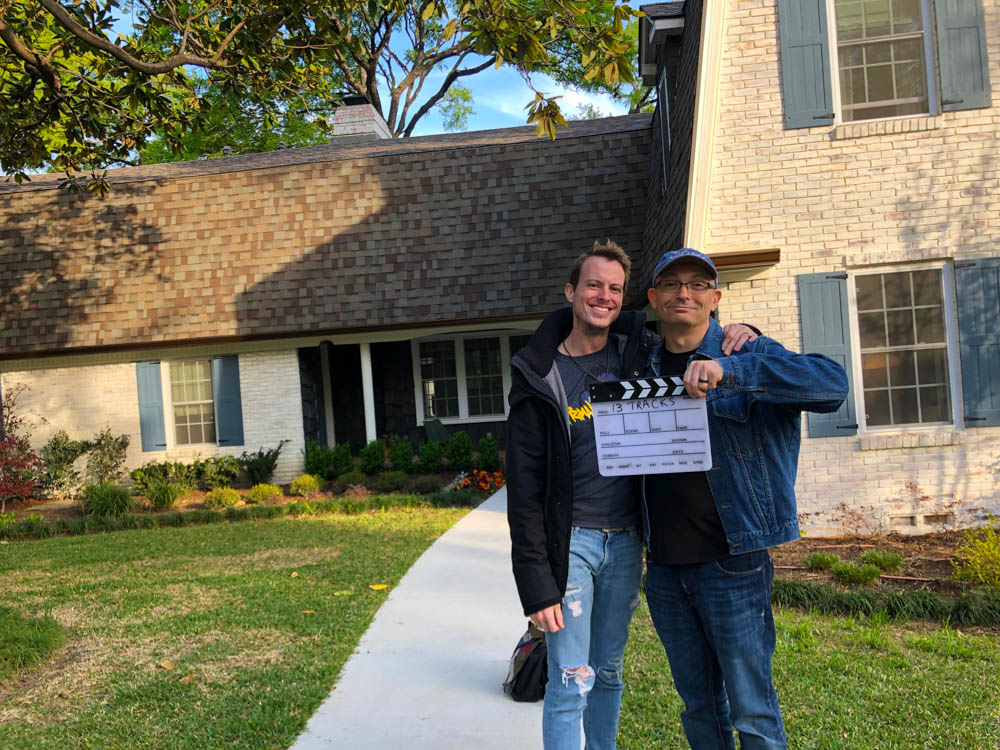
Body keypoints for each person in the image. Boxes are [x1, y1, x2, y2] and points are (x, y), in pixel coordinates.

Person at [505, 240, 756, 750]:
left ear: (625, 299)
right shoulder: (538, 375)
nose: (604, 296)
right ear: (571, 291)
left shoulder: (636, 352)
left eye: (615, 288)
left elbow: (691, 328)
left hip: (625, 542)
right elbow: (525, 490)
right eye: (594, 285)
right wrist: (536, 584)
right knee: (572, 675)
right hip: (570, 541)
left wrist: (745, 331)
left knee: (609, 671)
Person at [641, 248, 849, 750]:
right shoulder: (640, 362)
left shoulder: (747, 351)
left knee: (752, 708)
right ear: (653, 299)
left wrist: (735, 371)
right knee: (698, 707)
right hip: (665, 568)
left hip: (733, 561)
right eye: (670, 285)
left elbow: (831, 384)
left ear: (715, 297)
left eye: (696, 284)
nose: (683, 293)